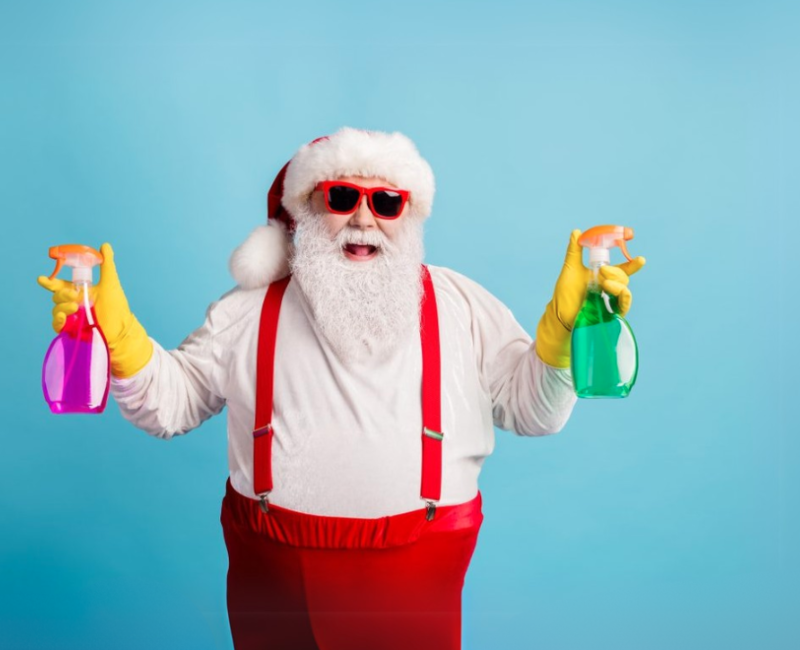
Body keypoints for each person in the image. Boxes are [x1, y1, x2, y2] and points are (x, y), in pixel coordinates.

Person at [36, 127, 646, 650]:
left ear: (409, 215)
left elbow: (534, 412)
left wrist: (564, 335)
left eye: (386, 201)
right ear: (303, 210)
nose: (363, 217)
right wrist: (118, 337)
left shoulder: (460, 303)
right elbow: (168, 405)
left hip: (420, 582)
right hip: (274, 579)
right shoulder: (248, 312)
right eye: (341, 197)